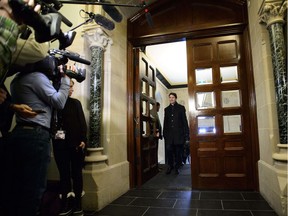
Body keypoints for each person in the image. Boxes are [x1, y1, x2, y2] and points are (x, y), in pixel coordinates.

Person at [2, 64, 70, 216]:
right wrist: (65, 79)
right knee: (33, 191)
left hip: (20, 132)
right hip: (36, 135)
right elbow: (59, 102)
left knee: (18, 188)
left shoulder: (17, 79)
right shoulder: (36, 77)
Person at [52, 79, 87, 216]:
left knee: (77, 175)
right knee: (64, 176)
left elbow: (82, 123)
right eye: (70, 87)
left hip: (76, 146)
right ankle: (65, 205)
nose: (72, 89)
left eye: (72, 87)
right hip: (60, 146)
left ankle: (78, 205)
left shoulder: (76, 103)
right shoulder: (55, 104)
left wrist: (83, 140)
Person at [163, 92, 189, 175]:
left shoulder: (181, 108)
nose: (171, 99)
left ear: (176, 98)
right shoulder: (166, 109)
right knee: (169, 151)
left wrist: (186, 133)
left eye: (173, 97)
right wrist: (164, 134)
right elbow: (165, 123)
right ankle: (170, 166)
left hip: (179, 135)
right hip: (169, 136)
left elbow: (184, 121)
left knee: (178, 152)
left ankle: (177, 167)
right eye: (170, 97)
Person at [150, 102, 162, 168]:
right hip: (153, 135)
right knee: (153, 151)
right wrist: (155, 130)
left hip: (156, 135)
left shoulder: (155, 113)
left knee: (155, 150)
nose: (159, 109)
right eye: (158, 107)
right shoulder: (151, 112)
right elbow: (151, 123)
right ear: (156, 106)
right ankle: (154, 166)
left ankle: (155, 165)